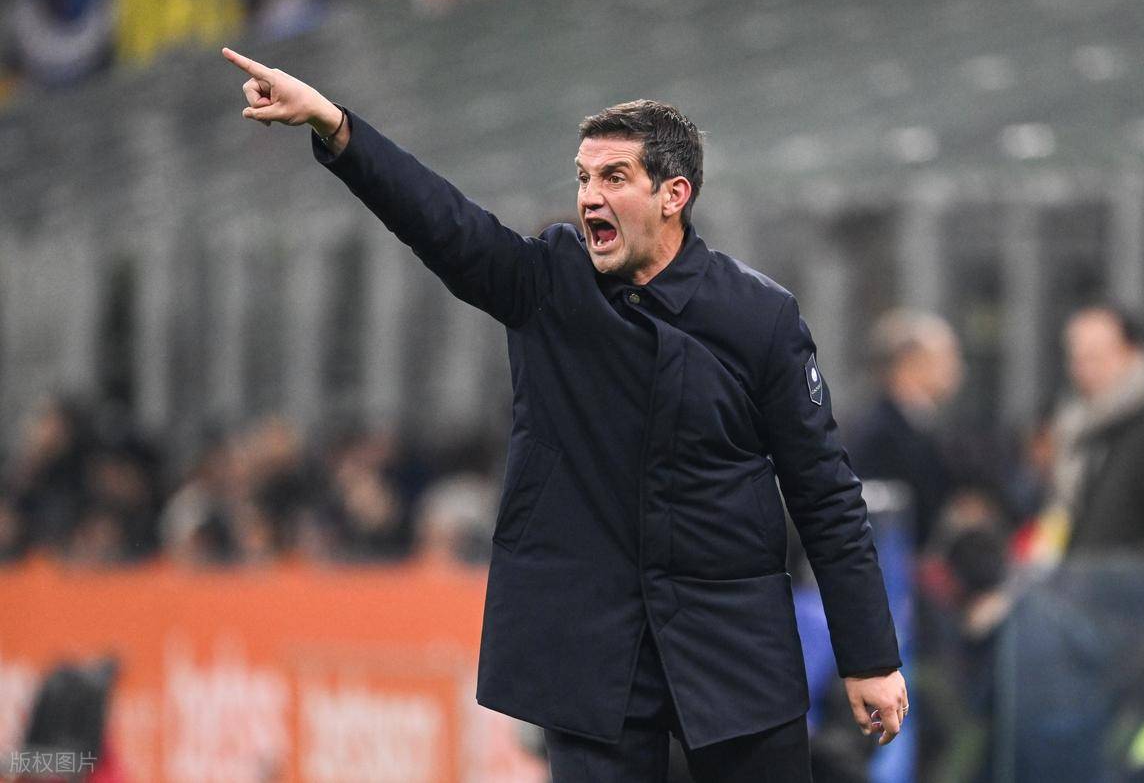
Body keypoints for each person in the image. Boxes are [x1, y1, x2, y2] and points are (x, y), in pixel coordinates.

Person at [221, 47, 907, 782]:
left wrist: (869, 656)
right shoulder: (550, 283)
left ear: (674, 195)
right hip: (593, 653)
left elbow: (824, 492)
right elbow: (444, 223)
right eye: (583, 178)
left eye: (614, 177)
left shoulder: (760, 317)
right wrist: (335, 126)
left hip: (733, 647)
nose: (589, 198)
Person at [1030, 304, 1144, 563]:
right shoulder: (1082, 427)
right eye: (1076, 358)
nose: (1082, 370)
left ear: (1132, 354)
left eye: (1095, 357)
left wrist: (1121, 569)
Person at [846, 309, 963, 548]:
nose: (956, 368)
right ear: (909, 363)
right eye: (946, 357)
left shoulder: (920, 426)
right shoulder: (878, 435)